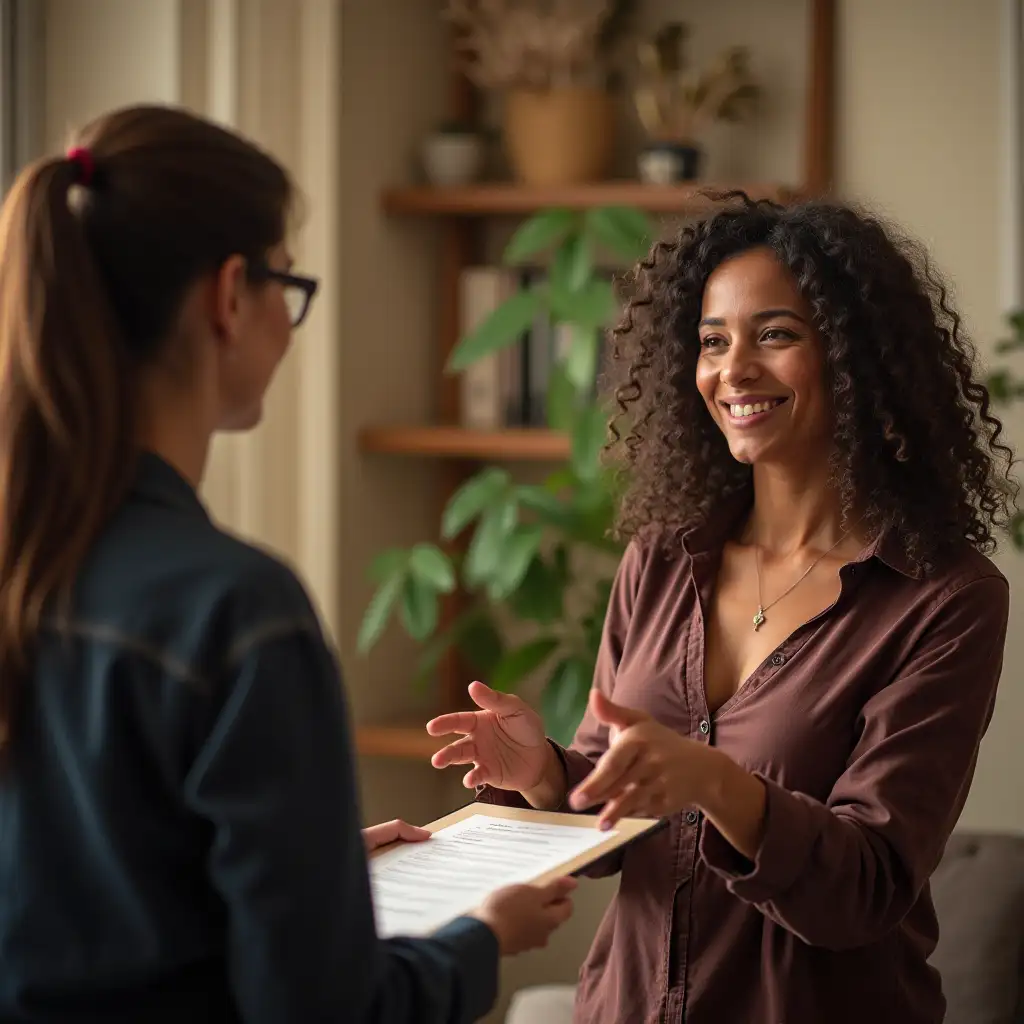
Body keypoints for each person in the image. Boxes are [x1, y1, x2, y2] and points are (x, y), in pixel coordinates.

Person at [0, 104, 576, 1024]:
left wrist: (310, 872)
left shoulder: (37, 565)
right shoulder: (234, 611)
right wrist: (479, 939)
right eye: (287, 284)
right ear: (231, 295)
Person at [427, 193, 1015, 1024]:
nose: (732, 369)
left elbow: (868, 886)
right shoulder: (661, 561)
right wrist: (548, 774)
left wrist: (718, 784)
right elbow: (611, 811)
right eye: (712, 341)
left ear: (854, 359)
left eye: (775, 335)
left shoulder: (943, 599)